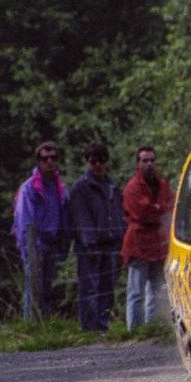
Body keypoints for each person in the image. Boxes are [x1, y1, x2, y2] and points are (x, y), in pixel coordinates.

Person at [68, 142, 124, 331]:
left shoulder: (112, 185)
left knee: (107, 288)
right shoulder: (80, 188)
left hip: (111, 243)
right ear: (87, 163)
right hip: (90, 246)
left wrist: (120, 237)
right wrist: (90, 243)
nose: (97, 165)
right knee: (90, 288)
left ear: (106, 162)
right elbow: (81, 217)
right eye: (93, 161)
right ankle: (89, 328)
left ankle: (103, 325)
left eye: (101, 161)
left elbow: (117, 213)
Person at [12, 141, 70, 319]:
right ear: (38, 161)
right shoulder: (29, 188)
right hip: (35, 244)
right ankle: (30, 326)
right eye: (45, 158)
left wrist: (64, 243)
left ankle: (45, 327)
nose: (50, 162)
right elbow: (24, 222)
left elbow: (64, 216)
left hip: (52, 244)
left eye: (53, 157)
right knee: (33, 288)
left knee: (47, 289)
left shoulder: (59, 186)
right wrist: (33, 250)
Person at [121, 146, 174, 330]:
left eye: (152, 160)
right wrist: (159, 209)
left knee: (157, 290)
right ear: (138, 163)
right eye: (145, 160)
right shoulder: (133, 187)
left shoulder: (161, 183)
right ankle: (134, 329)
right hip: (138, 244)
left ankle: (153, 327)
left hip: (158, 244)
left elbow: (170, 205)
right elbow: (141, 213)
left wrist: (159, 208)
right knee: (136, 291)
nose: (149, 164)